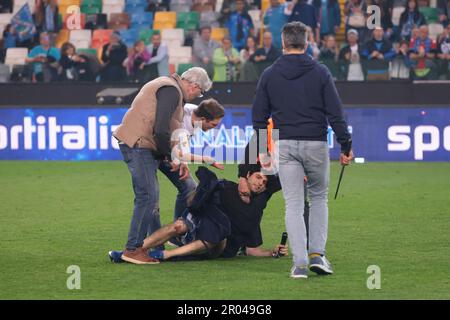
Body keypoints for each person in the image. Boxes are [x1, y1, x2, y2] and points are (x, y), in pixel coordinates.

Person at [252, 22, 354, 279]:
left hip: (285, 145)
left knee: (293, 205)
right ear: (307, 43)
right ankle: (317, 255)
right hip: (316, 143)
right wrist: (346, 145)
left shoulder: (269, 74)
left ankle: (299, 264)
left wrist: (263, 149)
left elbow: (258, 117)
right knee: (318, 198)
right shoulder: (321, 72)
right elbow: (335, 113)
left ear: (283, 43)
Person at [112, 67, 213, 265]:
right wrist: (172, 157)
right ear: (194, 86)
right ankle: (133, 249)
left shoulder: (170, 88)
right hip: (140, 145)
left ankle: (169, 237)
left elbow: (165, 131)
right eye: (199, 93)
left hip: (148, 146)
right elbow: (160, 130)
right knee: (148, 197)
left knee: (185, 187)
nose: (197, 97)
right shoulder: (171, 91)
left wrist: (178, 160)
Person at [108, 165, 290, 263]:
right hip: (199, 230)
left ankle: (165, 255)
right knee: (179, 225)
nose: (260, 183)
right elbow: (194, 204)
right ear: (248, 175)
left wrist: (271, 252)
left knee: (220, 233)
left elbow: (251, 251)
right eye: (258, 177)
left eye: (265, 182)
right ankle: (132, 251)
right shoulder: (225, 187)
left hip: (217, 247)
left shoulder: (255, 210)